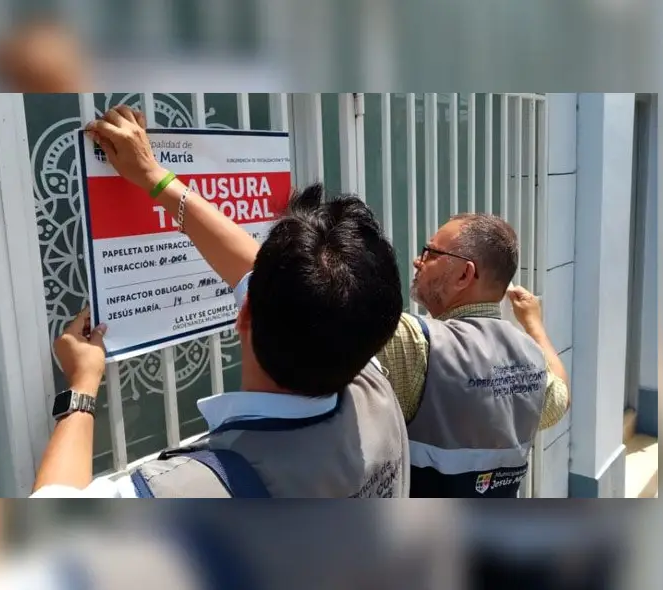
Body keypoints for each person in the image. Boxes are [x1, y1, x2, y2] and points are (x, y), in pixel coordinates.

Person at [31, 105, 408, 498]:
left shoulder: (195, 489)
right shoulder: (368, 381)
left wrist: (82, 385)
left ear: (243, 312)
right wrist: (153, 177)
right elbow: (271, 275)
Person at [376, 213, 570, 497]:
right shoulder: (531, 357)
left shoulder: (417, 343)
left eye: (430, 253)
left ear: (465, 274)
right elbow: (562, 399)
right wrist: (534, 325)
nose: (419, 261)